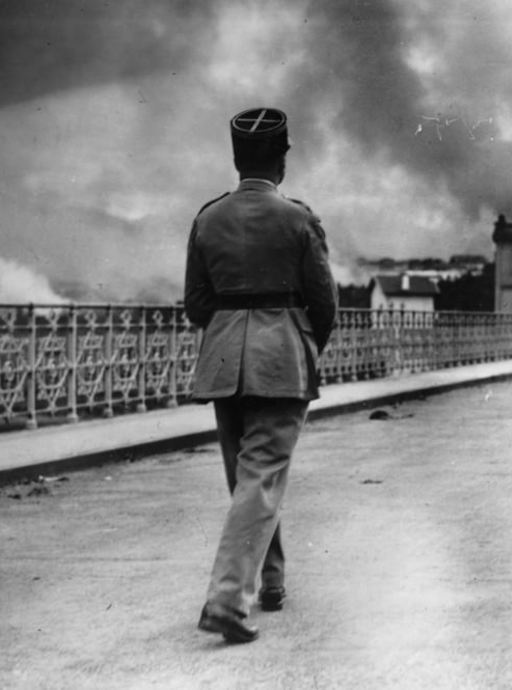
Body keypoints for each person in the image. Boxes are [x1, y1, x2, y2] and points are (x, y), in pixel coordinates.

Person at [184, 107, 338, 642]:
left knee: (247, 477)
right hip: (281, 358)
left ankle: (269, 580)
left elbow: (196, 304)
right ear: (282, 158)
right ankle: (228, 600)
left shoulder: (208, 218)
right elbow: (325, 303)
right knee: (261, 477)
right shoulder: (299, 219)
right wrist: (299, 344)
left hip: (223, 357)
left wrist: (230, 324)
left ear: (235, 157)